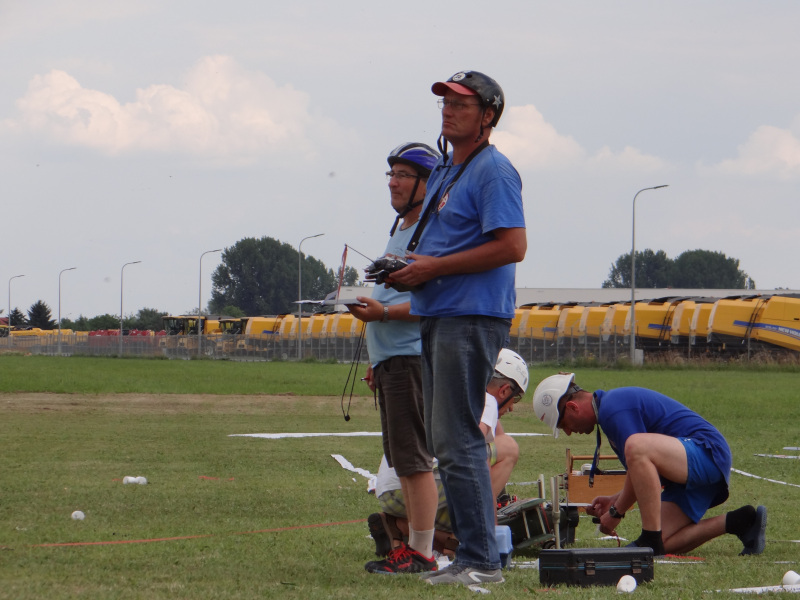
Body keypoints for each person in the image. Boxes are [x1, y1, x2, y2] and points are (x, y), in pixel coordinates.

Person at [388, 70, 527, 587]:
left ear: (488, 116)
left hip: (470, 315)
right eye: (445, 103)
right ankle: (475, 556)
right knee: (447, 439)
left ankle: (480, 560)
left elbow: (513, 246)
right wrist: (408, 270)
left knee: (458, 439)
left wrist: (432, 268)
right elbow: (444, 243)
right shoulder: (449, 169)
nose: (448, 111)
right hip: (442, 311)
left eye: (461, 105)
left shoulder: (494, 170)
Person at [531, 373, 768, 557]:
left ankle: (649, 536)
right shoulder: (608, 412)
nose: (569, 432)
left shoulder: (612, 407)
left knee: (636, 445)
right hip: (689, 469)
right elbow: (640, 472)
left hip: (707, 452)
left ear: (572, 407)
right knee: (660, 545)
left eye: (563, 425)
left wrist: (616, 512)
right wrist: (615, 499)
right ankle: (741, 521)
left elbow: (639, 452)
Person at [348, 142, 442, 575]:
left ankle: (422, 553)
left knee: (413, 458)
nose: (393, 182)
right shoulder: (402, 229)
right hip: (391, 359)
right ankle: (417, 549)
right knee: (402, 457)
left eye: (403, 175)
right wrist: (376, 356)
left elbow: (435, 301)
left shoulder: (429, 231)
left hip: (409, 358)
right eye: (391, 174)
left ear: (427, 183)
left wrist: (382, 314)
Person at [368, 349, 529, 559]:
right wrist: (489, 527)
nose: (512, 408)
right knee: (509, 448)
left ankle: (399, 526)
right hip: (418, 483)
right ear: (504, 390)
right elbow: (468, 448)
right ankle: (465, 542)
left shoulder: (453, 389)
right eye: (515, 398)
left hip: (392, 490)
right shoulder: (485, 399)